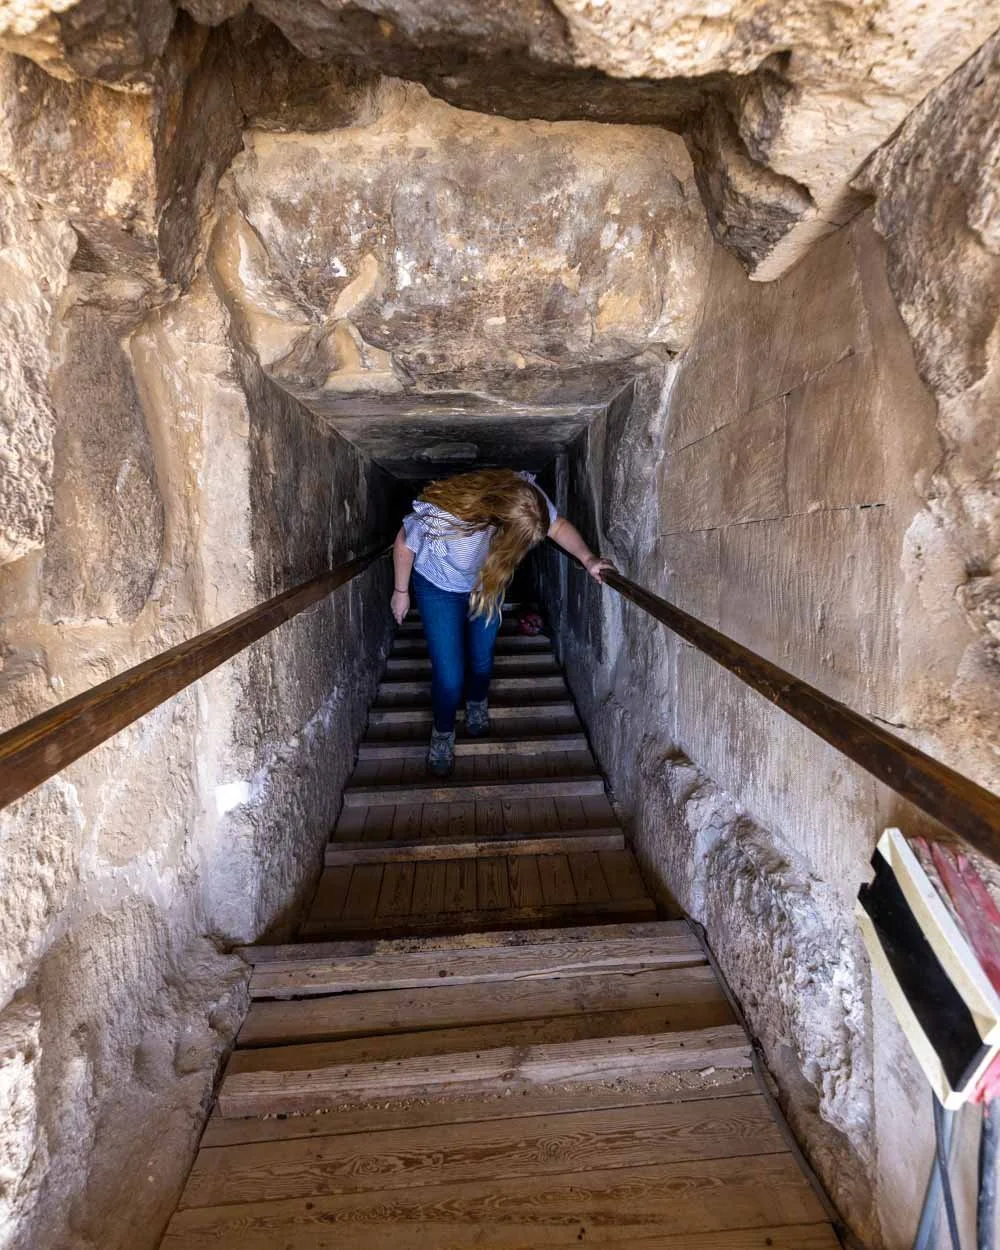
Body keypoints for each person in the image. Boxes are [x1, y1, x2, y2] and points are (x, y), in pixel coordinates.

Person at [391, 468, 613, 776]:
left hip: (487, 583)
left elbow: (558, 526)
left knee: (482, 657)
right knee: (449, 674)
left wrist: (588, 559)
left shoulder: (525, 497)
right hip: (439, 587)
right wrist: (401, 592)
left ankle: (476, 702)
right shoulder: (445, 516)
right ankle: (443, 731)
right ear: (496, 519)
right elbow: (404, 543)